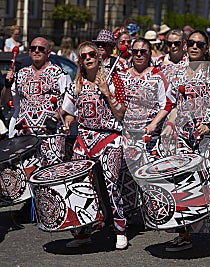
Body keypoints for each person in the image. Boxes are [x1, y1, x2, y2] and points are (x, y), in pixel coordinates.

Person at [162, 30, 210, 252]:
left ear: (206, 49)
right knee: (182, 183)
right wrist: (169, 125)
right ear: (185, 46)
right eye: (191, 43)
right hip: (186, 137)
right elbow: (175, 106)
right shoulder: (178, 74)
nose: (194, 47)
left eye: (199, 44)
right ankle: (184, 234)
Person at [62, 41, 128, 249]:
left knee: (112, 185)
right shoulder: (77, 83)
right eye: (84, 56)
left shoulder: (113, 78)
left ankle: (120, 229)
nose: (88, 58)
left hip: (109, 138)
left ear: (99, 57)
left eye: (92, 54)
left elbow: (121, 113)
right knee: (77, 184)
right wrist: (67, 120)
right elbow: (68, 111)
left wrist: (106, 92)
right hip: (84, 139)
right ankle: (83, 231)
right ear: (80, 61)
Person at [5, 37, 72, 166]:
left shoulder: (60, 74)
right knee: (23, 176)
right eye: (33, 48)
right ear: (29, 52)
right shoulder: (20, 74)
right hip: (23, 134)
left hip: (50, 135)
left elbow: (70, 99)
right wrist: (7, 85)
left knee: (50, 176)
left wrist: (55, 118)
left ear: (48, 53)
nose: (36, 51)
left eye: (41, 49)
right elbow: (6, 99)